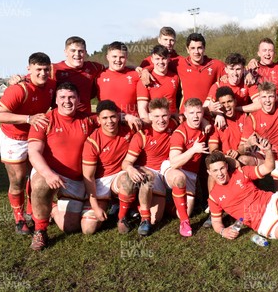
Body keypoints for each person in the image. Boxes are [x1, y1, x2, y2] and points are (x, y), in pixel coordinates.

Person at [27, 82, 97, 250]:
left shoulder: (87, 119)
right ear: (56, 100)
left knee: (70, 227)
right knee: (42, 183)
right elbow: (33, 152)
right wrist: (48, 174)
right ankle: (40, 230)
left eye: (72, 97)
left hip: (74, 180)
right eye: (63, 97)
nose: (67, 101)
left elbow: (110, 118)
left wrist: (126, 117)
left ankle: (51, 206)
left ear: (78, 99)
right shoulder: (44, 120)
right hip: (51, 172)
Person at [0, 52, 56, 235]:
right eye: (38, 69)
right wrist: (28, 118)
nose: (43, 73)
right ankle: (19, 219)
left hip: (35, 137)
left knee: (34, 175)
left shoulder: (51, 85)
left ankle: (31, 211)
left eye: (46, 69)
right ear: (29, 69)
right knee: (18, 179)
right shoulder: (19, 88)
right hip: (14, 138)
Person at [121, 97, 179, 236]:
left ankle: (137, 206)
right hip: (148, 173)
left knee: (157, 219)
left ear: (169, 114)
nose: (161, 120)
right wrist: (130, 168)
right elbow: (126, 162)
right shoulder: (143, 135)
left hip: (164, 172)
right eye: (157, 116)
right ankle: (144, 219)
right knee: (152, 218)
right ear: (150, 116)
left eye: (164, 115)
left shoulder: (174, 125)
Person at [81, 100, 135, 235]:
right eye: (104, 118)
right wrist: (95, 207)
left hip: (119, 177)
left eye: (112, 117)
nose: (109, 121)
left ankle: (122, 217)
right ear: (98, 120)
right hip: (101, 182)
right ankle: (111, 204)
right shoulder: (92, 142)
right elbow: (88, 176)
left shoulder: (128, 131)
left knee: (128, 180)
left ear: (118, 116)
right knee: (88, 228)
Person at [238, 82, 278, 195]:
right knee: (242, 160)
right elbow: (240, 150)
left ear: (275, 97)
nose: (267, 100)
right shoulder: (253, 118)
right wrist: (248, 144)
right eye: (264, 97)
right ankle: (249, 193)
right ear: (259, 99)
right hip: (264, 157)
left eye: (270, 96)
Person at [164, 98, 210, 237]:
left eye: (198, 112)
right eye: (191, 113)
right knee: (179, 178)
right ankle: (185, 222)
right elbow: (174, 163)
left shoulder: (204, 126)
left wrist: (206, 122)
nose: (195, 116)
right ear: (185, 114)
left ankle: (164, 205)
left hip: (191, 173)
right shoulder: (180, 133)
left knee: (182, 210)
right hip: (175, 168)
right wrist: (193, 150)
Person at [172, 33, 226, 112]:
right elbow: (159, 63)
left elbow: (236, 70)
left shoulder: (216, 64)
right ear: (187, 49)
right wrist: (147, 70)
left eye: (199, 48)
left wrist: (248, 73)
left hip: (209, 113)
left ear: (204, 48)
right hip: (187, 114)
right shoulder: (179, 64)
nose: (196, 51)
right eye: (193, 48)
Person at [51, 36, 105, 113]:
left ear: (85, 52)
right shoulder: (54, 69)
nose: (77, 54)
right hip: (61, 119)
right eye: (73, 51)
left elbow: (111, 71)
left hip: (84, 119)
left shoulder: (94, 67)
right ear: (65, 52)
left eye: (81, 51)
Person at [96, 41, 142, 129]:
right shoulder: (98, 76)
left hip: (132, 125)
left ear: (126, 58)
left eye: (122, 57)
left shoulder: (136, 75)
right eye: (114, 56)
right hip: (108, 126)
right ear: (107, 57)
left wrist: (145, 70)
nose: (118, 60)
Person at [205, 53, 260, 125]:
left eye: (238, 69)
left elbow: (259, 104)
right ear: (226, 70)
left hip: (243, 122)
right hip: (224, 123)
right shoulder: (218, 85)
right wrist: (218, 113)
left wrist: (236, 108)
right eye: (231, 69)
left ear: (243, 69)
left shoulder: (248, 83)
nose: (235, 73)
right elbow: (205, 107)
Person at [137, 45, 180, 120]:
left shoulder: (175, 77)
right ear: (152, 60)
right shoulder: (145, 79)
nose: (161, 62)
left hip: (172, 122)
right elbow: (142, 109)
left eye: (164, 58)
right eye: (157, 59)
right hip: (155, 122)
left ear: (169, 59)